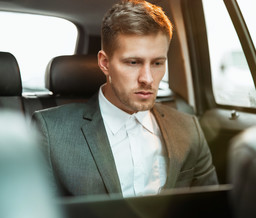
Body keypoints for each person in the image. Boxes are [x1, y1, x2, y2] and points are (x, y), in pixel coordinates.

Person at [32, 0, 218, 198]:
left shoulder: (189, 128)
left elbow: (211, 212)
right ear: (105, 63)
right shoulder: (51, 132)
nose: (147, 78)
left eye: (157, 63)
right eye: (133, 62)